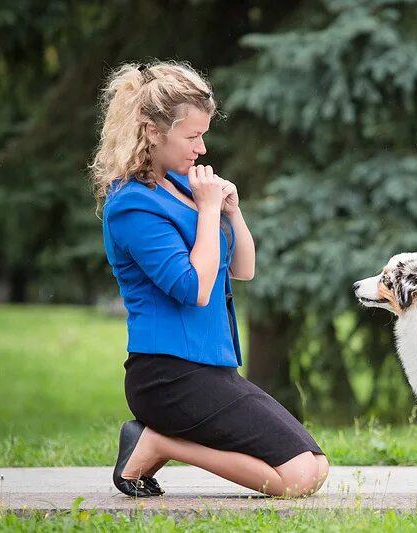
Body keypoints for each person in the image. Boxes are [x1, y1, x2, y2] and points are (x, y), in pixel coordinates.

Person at [91, 61, 328, 498]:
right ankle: (157, 440)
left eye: (203, 135)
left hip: (212, 369)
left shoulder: (182, 186)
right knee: (295, 479)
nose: (201, 148)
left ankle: (157, 442)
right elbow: (196, 289)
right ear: (152, 131)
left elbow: (243, 269)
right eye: (192, 136)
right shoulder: (131, 206)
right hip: (168, 376)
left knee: (315, 465)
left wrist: (230, 212)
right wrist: (206, 211)